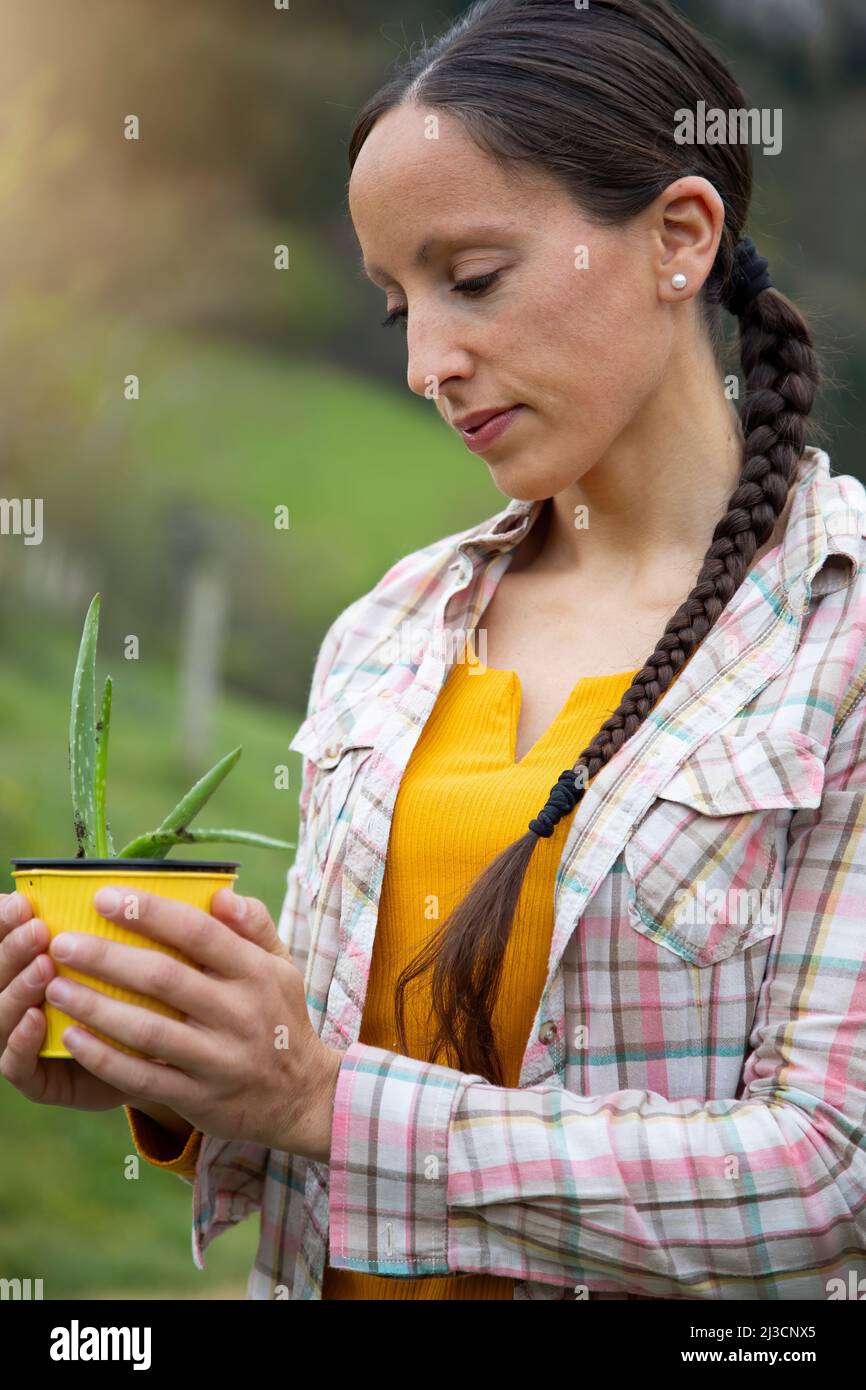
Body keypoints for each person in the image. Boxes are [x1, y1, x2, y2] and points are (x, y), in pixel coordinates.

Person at [2, 0, 865, 1300]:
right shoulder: (389, 625)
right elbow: (337, 1079)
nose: (423, 361)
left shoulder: (836, 629)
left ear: (679, 236)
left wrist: (314, 1094)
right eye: (397, 301)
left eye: (470, 279)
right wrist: (188, 1074)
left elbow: (818, 1174)